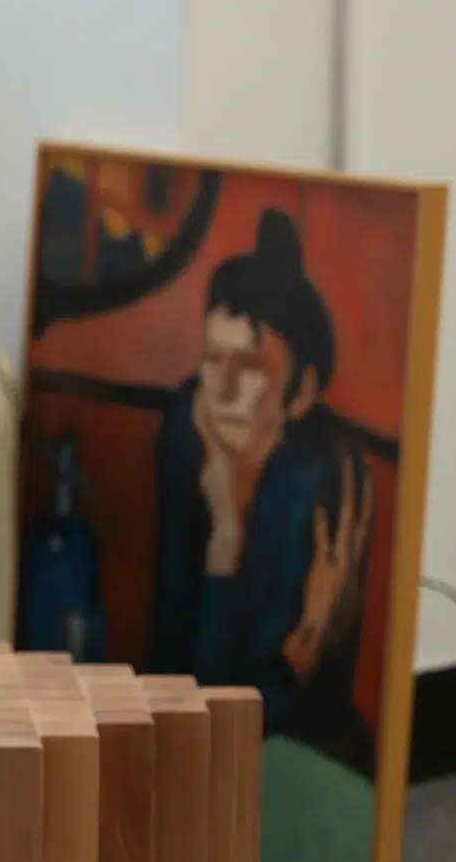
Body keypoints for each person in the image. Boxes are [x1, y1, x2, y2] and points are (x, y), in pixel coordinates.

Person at [150, 208, 376, 772]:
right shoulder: (187, 431)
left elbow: (256, 713)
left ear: (301, 393)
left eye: (249, 366)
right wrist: (224, 529)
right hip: (202, 753)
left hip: (296, 761)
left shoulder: (317, 477)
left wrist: (300, 648)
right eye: (212, 358)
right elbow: (171, 662)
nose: (220, 389)